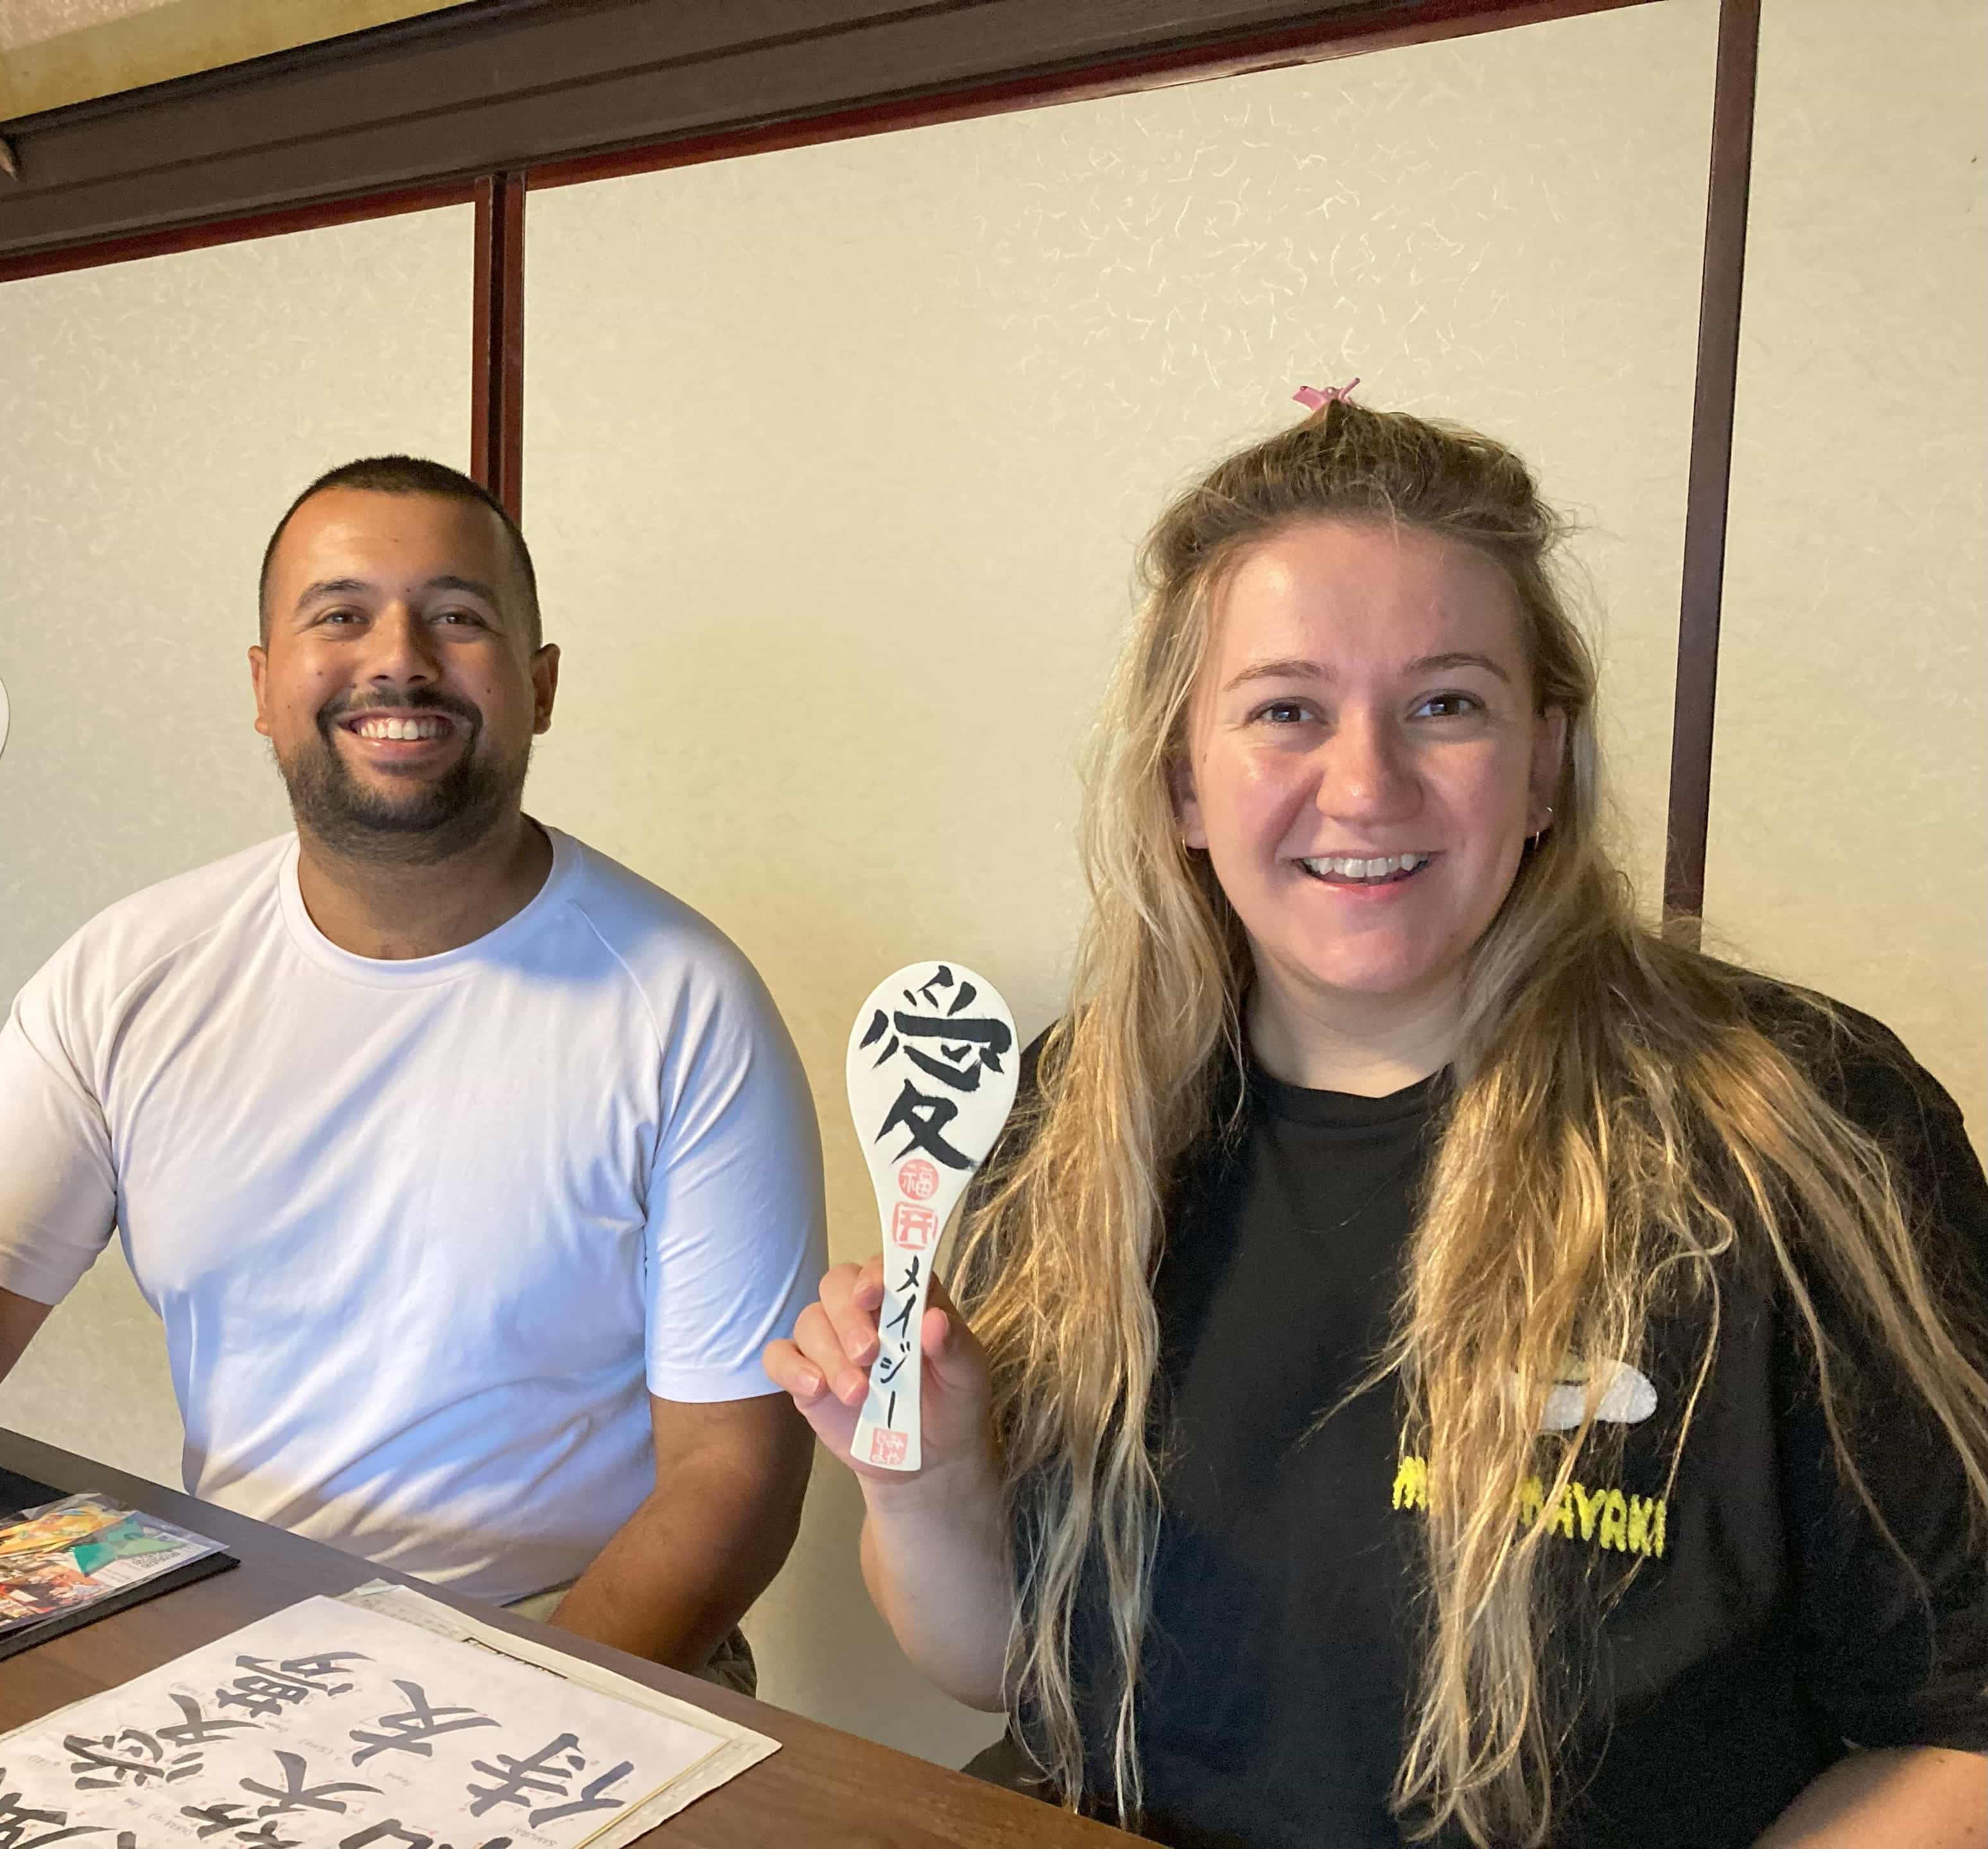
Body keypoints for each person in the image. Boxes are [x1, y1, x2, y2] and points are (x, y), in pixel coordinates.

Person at [768, 399, 1988, 1844]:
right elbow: (997, 1675)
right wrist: (926, 1482)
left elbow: (1958, 1734)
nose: (1365, 786)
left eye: (1447, 705)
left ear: (1544, 764)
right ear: (1184, 783)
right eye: (1286, 709)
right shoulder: (1077, 1110)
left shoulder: (1798, 1127)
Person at [0, 455, 823, 1691]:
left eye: (459, 616)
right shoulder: (130, 974)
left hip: (581, 1652)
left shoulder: (687, 1002)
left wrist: (489, 1724)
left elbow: (734, 1477)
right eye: (340, 614)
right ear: (265, 690)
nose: (398, 658)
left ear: (539, 685)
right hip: (240, 1640)